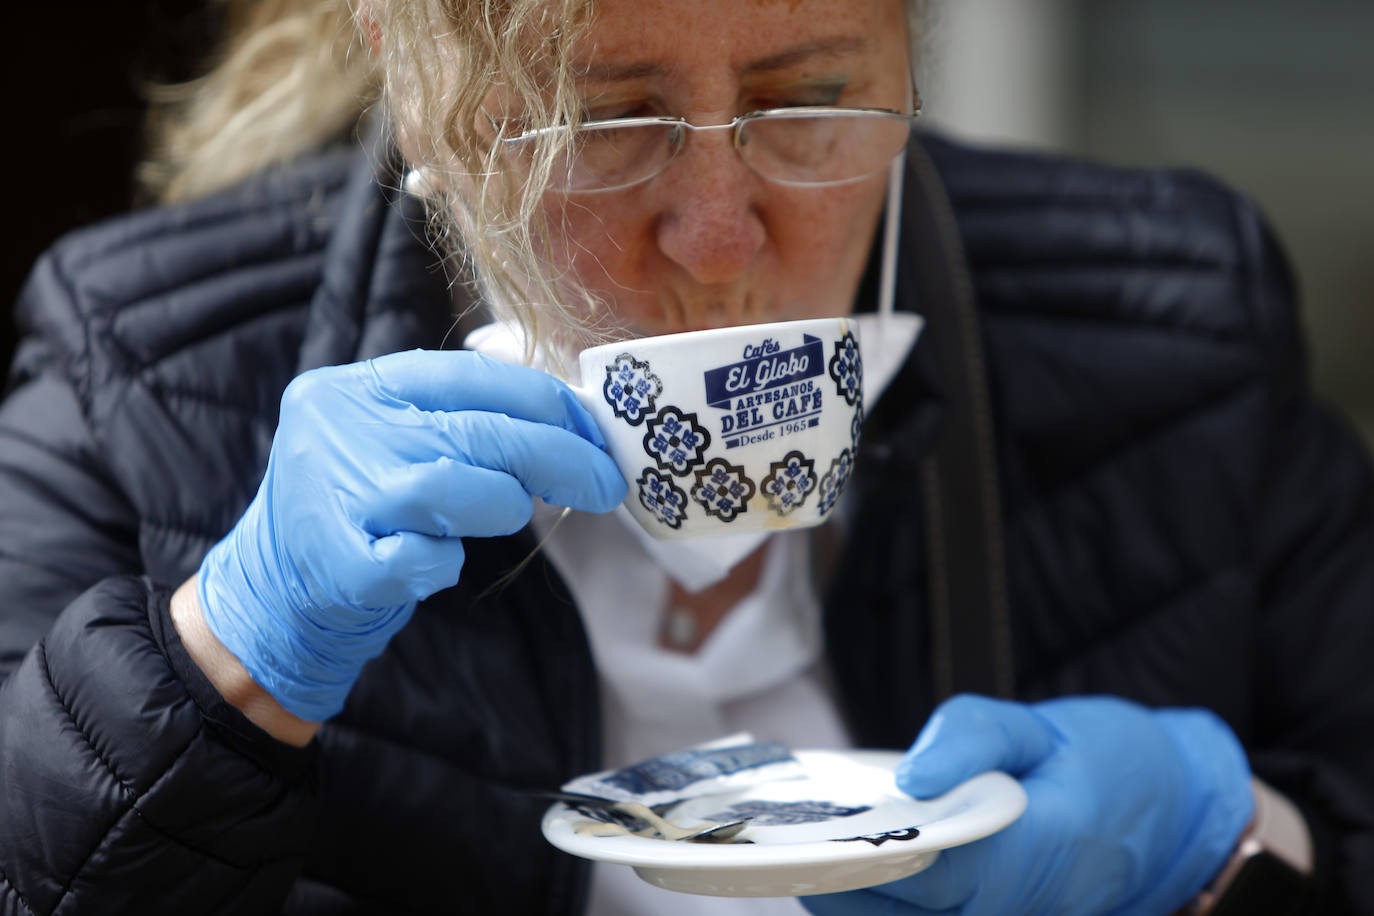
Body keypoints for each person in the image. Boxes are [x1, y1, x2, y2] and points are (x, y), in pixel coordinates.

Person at [1, 0, 1371, 913]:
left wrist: (1225, 840)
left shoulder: (1175, 316)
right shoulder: (137, 360)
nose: (717, 236)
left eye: (814, 95)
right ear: (417, 88)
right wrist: (222, 666)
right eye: (604, 120)